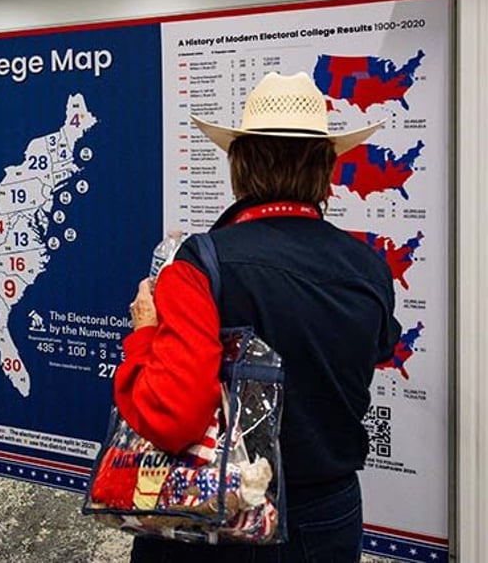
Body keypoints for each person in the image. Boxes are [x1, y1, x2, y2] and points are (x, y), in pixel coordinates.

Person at [115, 72, 401, 562]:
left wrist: (145, 332)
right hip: (329, 512)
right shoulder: (369, 266)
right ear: (327, 170)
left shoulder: (200, 265)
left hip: (217, 512)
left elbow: (170, 418)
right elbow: (378, 348)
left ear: (239, 164)